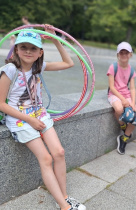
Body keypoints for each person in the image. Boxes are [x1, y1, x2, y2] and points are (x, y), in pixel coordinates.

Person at [0, 25, 85, 210]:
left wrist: (56, 40)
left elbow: (68, 63)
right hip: (20, 119)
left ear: (40, 52)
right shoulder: (9, 70)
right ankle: (64, 206)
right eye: (23, 47)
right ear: (16, 49)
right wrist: (30, 120)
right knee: (46, 158)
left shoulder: (39, 68)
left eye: (33, 48)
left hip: (39, 114)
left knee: (59, 153)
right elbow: (1, 104)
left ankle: (63, 197)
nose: (28, 52)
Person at [107, 41, 136, 155]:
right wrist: (123, 100)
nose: (124, 55)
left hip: (127, 95)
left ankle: (123, 139)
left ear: (130, 54)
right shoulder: (113, 67)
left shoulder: (131, 70)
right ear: (118, 55)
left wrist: (133, 103)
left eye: (126, 53)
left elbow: (132, 88)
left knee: (135, 117)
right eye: (121, 53)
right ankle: (123, 126)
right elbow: (112, 87)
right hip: (114, 94)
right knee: (119, 109)